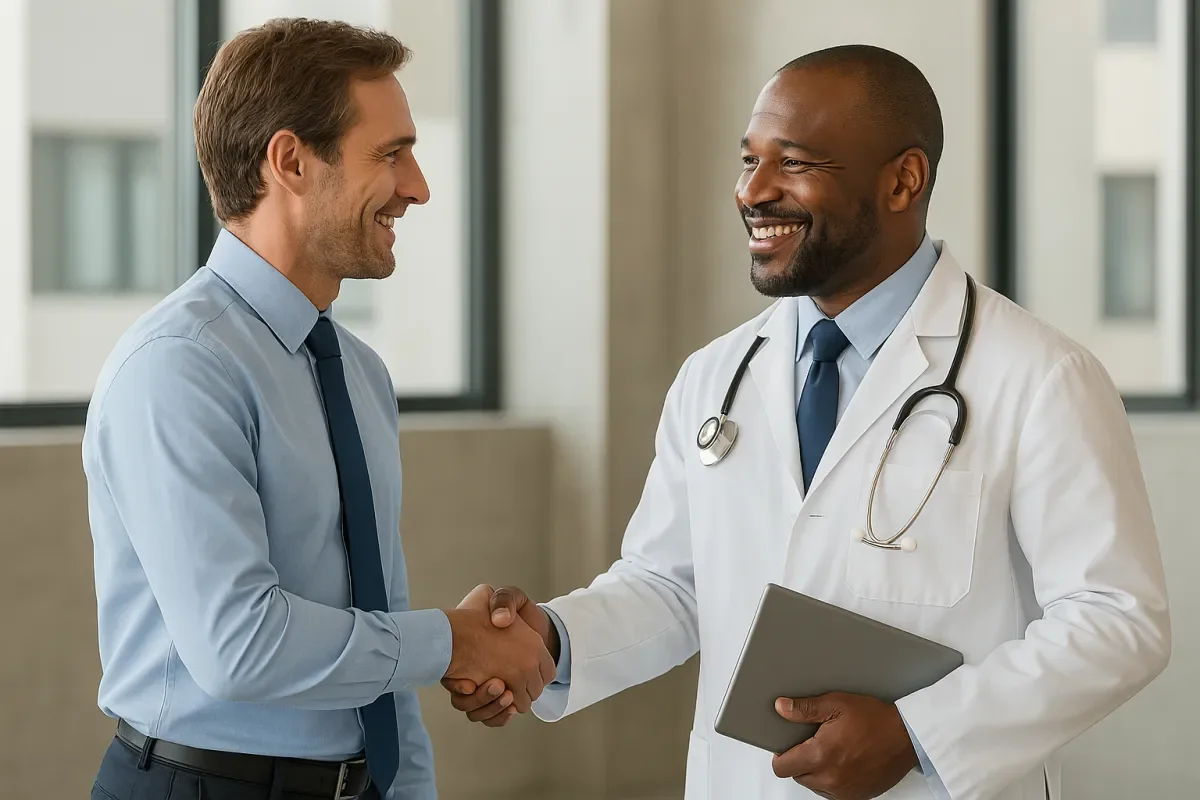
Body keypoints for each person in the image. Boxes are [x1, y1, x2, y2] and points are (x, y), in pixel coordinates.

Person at [443, 44, 1172, 800]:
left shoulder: (1039, 376)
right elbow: (673, 585)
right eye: (749, 160)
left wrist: (918, 734)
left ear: (903, 179)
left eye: (794, 163)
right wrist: (552, 643)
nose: (753, 191)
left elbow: (1117, 620)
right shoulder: (716, 375)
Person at [83, 18, 554, 800]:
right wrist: (451, 643)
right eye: (391, 153)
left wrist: (410, 776)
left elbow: (377, 610)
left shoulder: (359, 373)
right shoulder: (178, 367)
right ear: (291, 161)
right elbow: (241, 645)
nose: (419, 187)